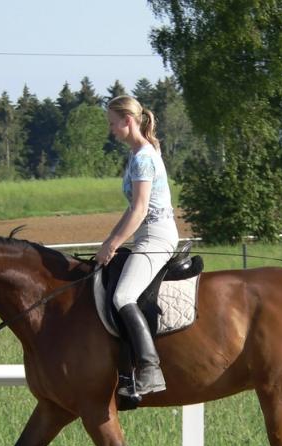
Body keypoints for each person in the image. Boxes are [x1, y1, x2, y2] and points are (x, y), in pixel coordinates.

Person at [95, 95, 179, 396]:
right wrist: (109, 242)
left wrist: (113, 243)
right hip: (145, 234)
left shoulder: (144, 157)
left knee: (123, 296)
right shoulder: (137, 155)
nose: (112, 130)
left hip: (156, 235)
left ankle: (150, 369)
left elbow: (140, 210)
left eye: (113, 123)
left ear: (128, 121)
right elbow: (131, 211)